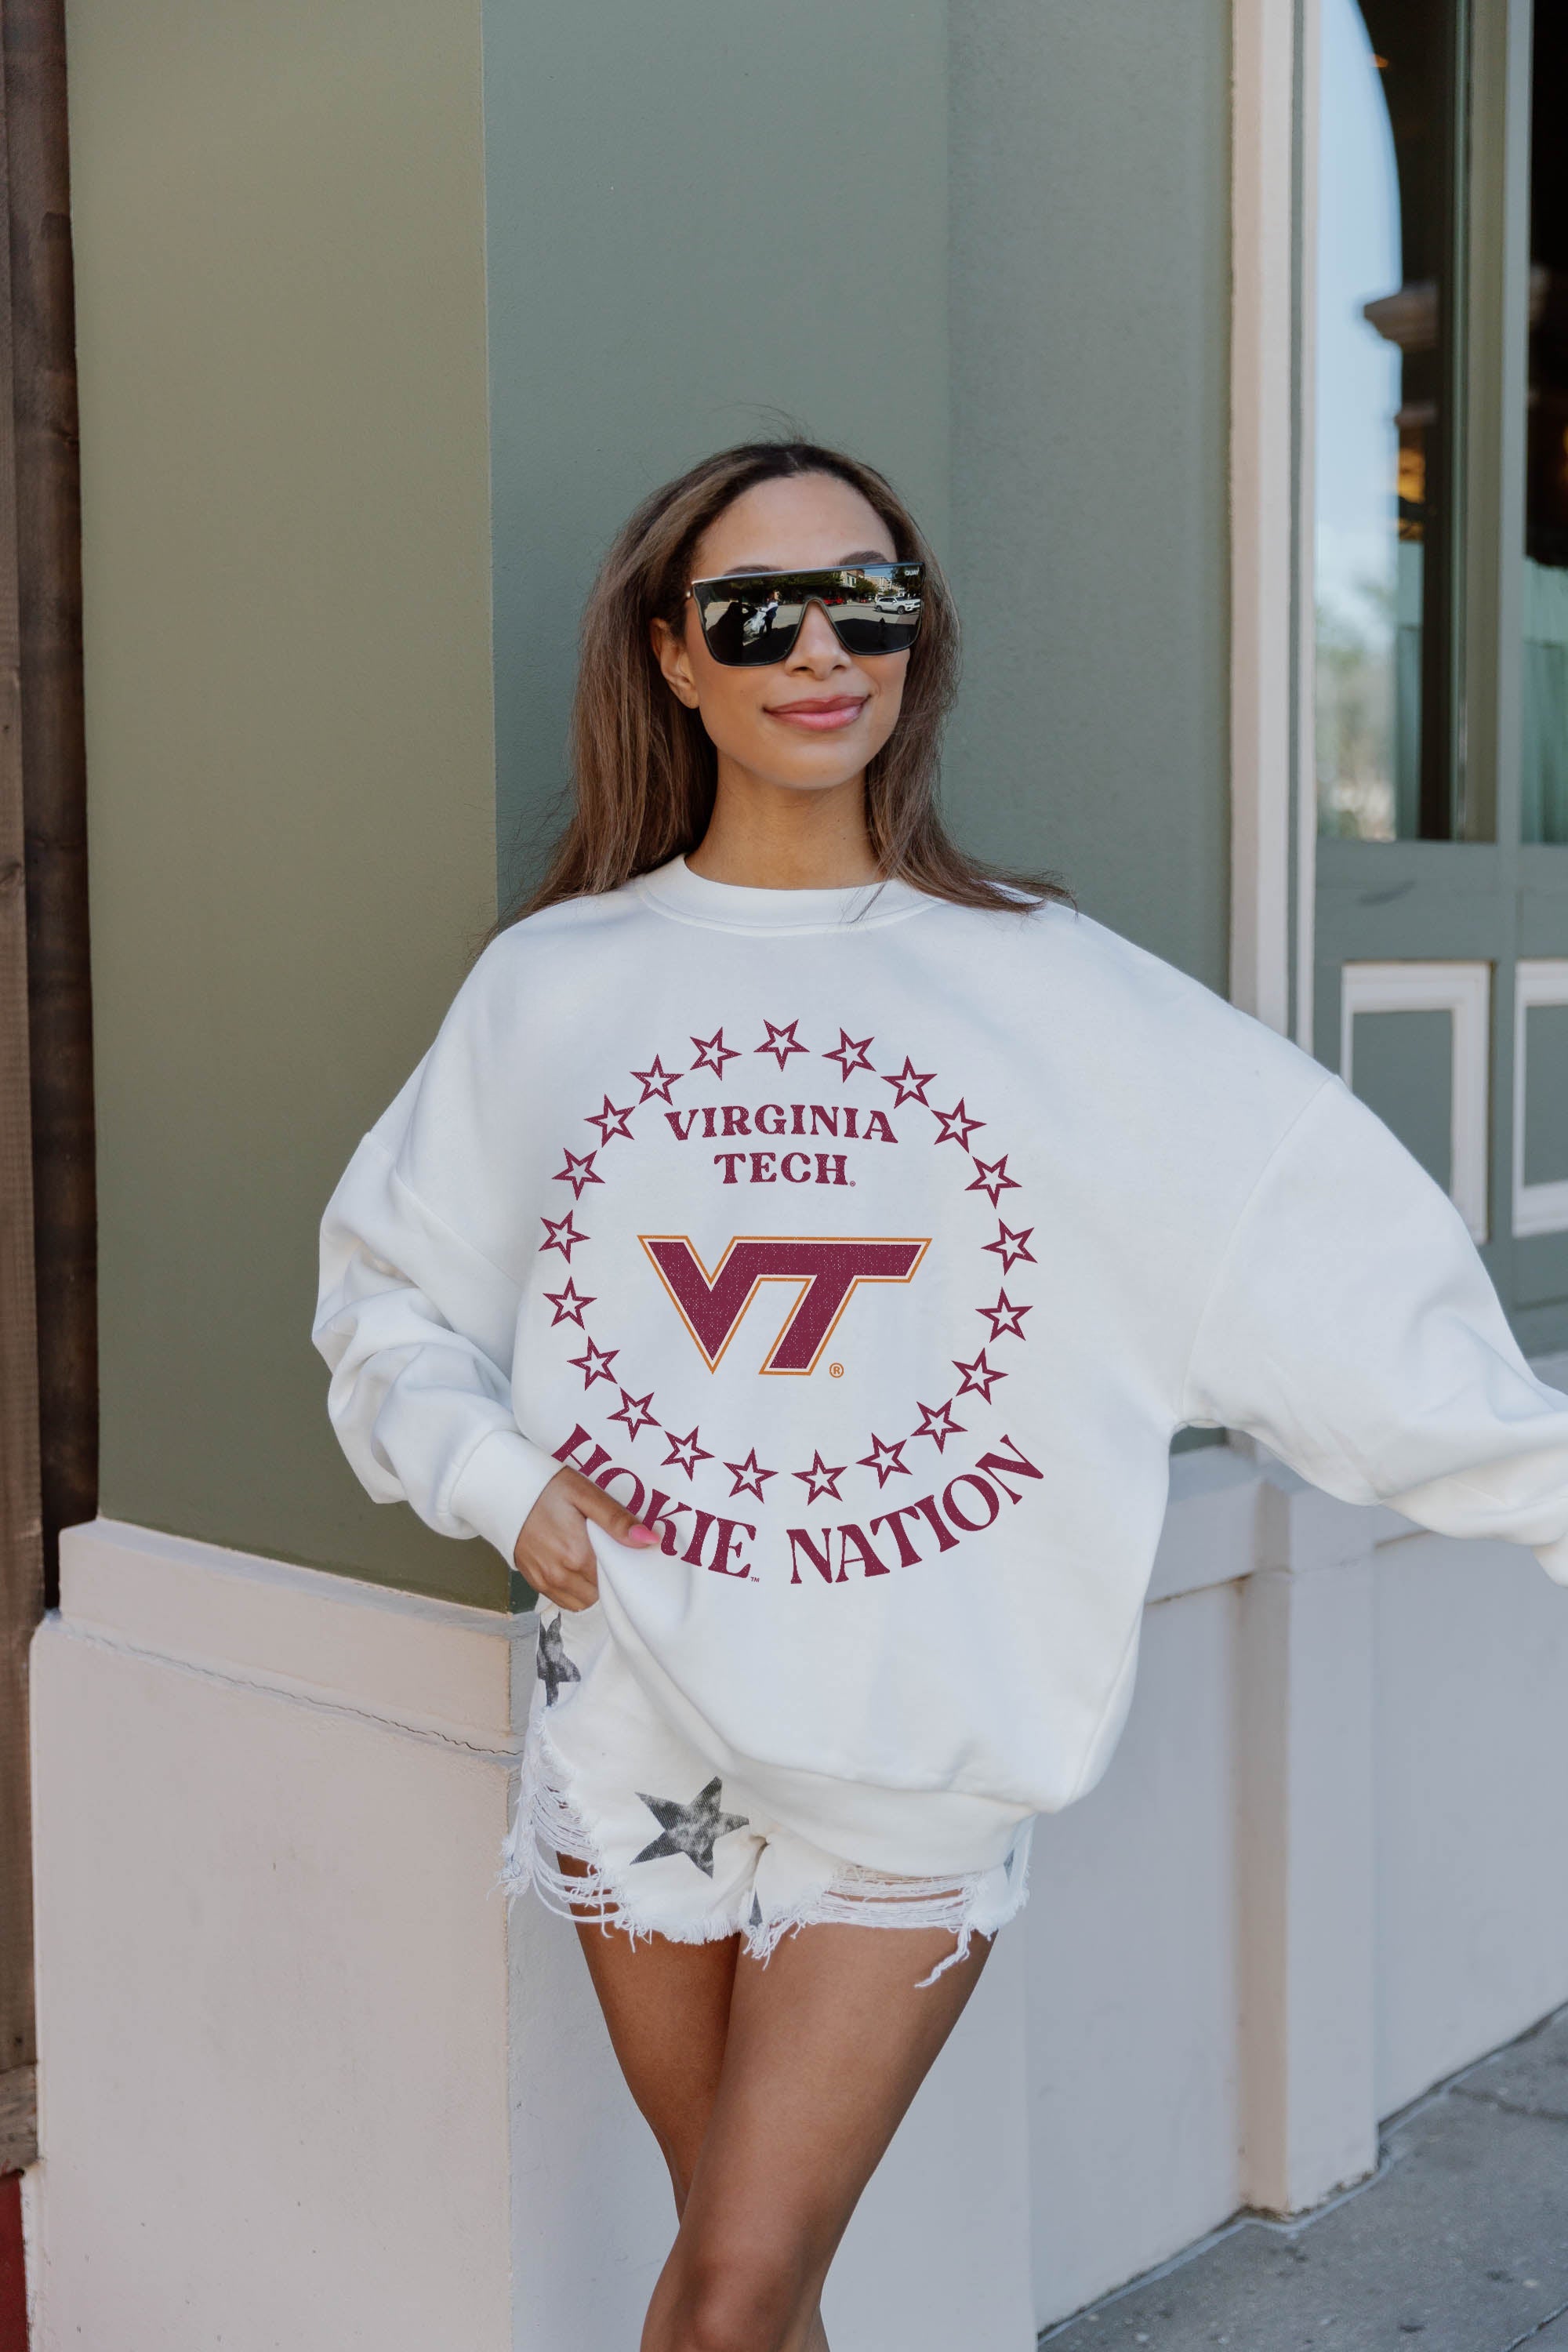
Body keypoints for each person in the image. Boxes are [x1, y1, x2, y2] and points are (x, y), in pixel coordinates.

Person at [313, 439, 1568, 2352]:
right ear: (672, 657)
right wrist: (496, 1480)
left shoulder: (1058, 999)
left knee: (727, 2295)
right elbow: (388, 1293)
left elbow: (1325, 1271)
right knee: (750, 2273)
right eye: (757, 611)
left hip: (907, 1745)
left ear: (918, 636)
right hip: (632, 1707)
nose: (820, 648)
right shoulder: (553, 988)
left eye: (868, 599)